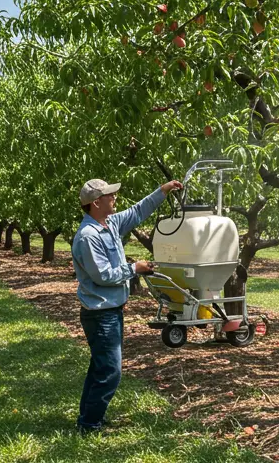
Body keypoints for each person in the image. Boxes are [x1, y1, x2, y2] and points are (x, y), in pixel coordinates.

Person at [72, 177, 182, 434]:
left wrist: (162, 190)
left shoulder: (109, 223)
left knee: (101, 366)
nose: (115, 197)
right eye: (110, 195)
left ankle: (89, 418)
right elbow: (103, 275)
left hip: (110, 311)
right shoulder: (88, 236)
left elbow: (137, 211)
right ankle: (90, 424)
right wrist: (135, 268)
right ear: (96, 202)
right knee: (110, 370)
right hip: (100, 315)